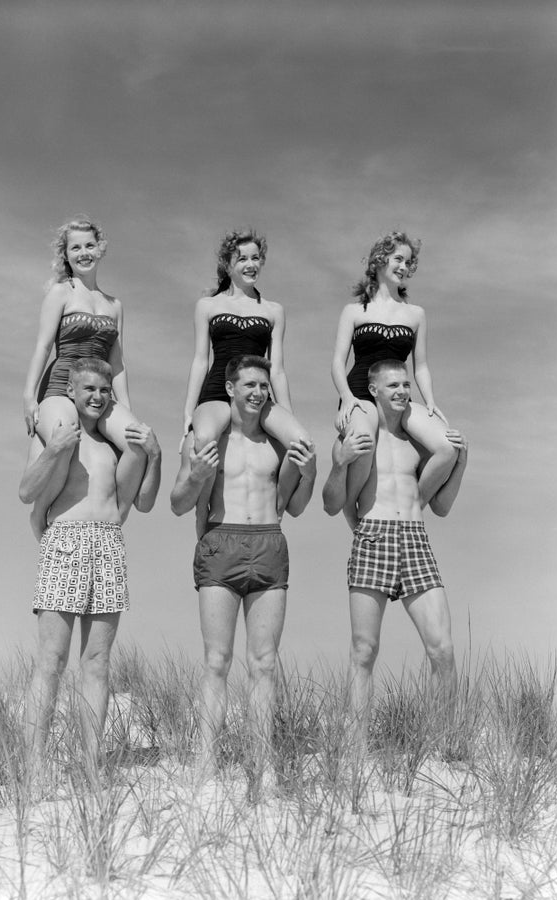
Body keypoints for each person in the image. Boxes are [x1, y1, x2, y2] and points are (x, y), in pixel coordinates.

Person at [171, 354, 316, 789]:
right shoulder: (207, 440)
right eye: (249, 384)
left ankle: (263, 762)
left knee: (264, 663)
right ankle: (205, 761)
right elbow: (178, 503)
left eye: (263, 386)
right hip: (221, 541)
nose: (257, 392)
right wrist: (197, 474)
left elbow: (295, 506)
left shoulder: (276, 445)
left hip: (269, 544)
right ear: (230, 388)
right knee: (217, 660)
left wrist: (305, 474)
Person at [19, 357, 162, 773]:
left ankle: (90, 763)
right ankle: (34, 765)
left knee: (97, 662)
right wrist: (56, 449)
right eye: (89, 390)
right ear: (72, 394)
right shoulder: (56, 433)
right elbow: (26, 491)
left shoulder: (115, 445)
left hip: (109, 544)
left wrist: (154, 457)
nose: (97, 397)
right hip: (65, 541)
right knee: (52, 659)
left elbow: (143, 503)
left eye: (104, 390)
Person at [322, 357, 469, 753]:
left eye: (406, 385)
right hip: (373, 537)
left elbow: (441, 507)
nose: (404, 392)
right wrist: (339, 463)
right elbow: (332, 503)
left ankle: (442, 745)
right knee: (364, 651)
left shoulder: (419, 442)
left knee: (443, 649)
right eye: (394, 386)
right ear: (373, 391)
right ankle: (355, 750)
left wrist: (461, 460)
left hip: (415, 539)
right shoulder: (358, 437)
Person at [22, 215, 147, 541]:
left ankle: (117, 516)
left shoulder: (114, 304)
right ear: (66, 254)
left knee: (138, 443)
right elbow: (43, 346)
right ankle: (40, 514)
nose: (83, 253)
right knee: (67, 437)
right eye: (75, 247)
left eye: (89, 245)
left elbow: (117, 364)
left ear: (100, 248)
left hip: (99, 390)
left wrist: (128, 409)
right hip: (62, 384)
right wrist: (28, 395)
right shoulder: (61, 293)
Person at [331, 229, 457, 527]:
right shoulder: (353, 311)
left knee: (447, 447)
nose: (404, 267)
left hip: (398, 394)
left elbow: (421, 366)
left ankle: (414, 506)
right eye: (398, 259)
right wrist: (347, 399)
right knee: (363, 443)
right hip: (361, 390)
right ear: (379, 260)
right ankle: (354, 515)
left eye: (408, 262)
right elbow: (337, 362)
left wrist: (430, 402)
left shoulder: (416, 314)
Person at [181, 228, 311, 463]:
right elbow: (200, 360)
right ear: (228, 265)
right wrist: (188, 412)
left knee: (301, 443)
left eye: (255, 258)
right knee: (203, 439)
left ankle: (280, 501)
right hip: (217, 393)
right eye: (242, 259)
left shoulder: (274, 311)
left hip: (257, 394)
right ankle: (202, 502)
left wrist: (287, 413)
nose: (251, 264)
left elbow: (277, 370)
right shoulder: (207, 306)